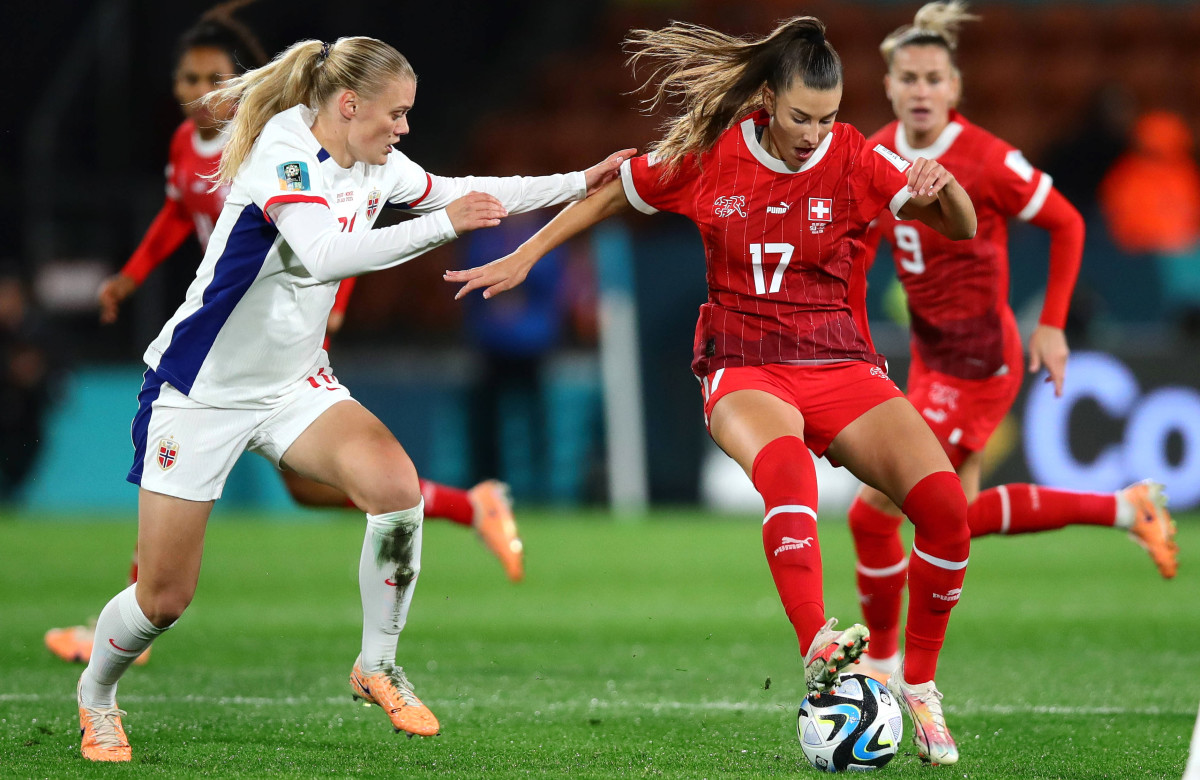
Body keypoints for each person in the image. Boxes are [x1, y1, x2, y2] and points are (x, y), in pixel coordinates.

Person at [74, 33, 634, 762]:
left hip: (293, 383)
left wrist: (579, 180)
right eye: (396, 113)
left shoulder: (376, 163)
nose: (404, 128)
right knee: (162, 599)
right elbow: (324, 257)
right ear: (348, 104)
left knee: (397, 488)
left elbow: (466, 193)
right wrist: (442, 227)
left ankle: (376, 663)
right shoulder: (283, 151)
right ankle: (97, 698)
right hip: (200, 389)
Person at [447, 16, 976, 766]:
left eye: (826, 118)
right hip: (746, 363)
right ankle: (819, 642)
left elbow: (954, 224)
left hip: (840, 361)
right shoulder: (709, 156)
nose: (813, 134)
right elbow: (611, 195)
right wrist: (528, 255)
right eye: (800, 117)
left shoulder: (855, 156)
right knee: (785, 466)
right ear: (766, 99)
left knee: (947, 511)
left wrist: (944, 185)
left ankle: (917, 686)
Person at [48, 6, 526, 672]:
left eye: (213, 75)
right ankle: (136, 621)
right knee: (240, 535)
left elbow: (334, 237)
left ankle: (385, 644)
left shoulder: (315, 148)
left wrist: (332, 303)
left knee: (376, 483)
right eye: (187, 77)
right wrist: (131, 276)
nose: (199, 90)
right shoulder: (204, 151)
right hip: (213, 366)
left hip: (287, 350)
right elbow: (179, 219)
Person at [847, 0, 1179, 702]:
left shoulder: (988, 159)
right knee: (955, 519)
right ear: (889, 86)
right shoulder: (874, 153)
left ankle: (881, 663)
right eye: (908, 77)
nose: (921, 91)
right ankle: (1127, 509)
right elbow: (860, 245)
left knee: (873, 511)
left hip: (979, 363)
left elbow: (1066, 222)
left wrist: (1051, 323)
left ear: (955, 87)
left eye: (934, 77)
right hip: (932, 356)